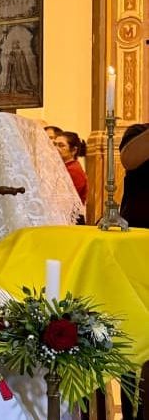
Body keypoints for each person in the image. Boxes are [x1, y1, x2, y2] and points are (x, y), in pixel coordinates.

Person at [118, 123, 149, 420]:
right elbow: (130, 160)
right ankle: (131, 412)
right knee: (134, 337)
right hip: (138, 246)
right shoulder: (139, 132)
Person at [53, 131, 87, 221]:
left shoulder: (74, 170)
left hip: (71, 219)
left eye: (61, 145)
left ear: (74, 150)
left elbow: (65, 199)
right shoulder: (62, 167)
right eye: (54, 144)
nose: (55, 148)